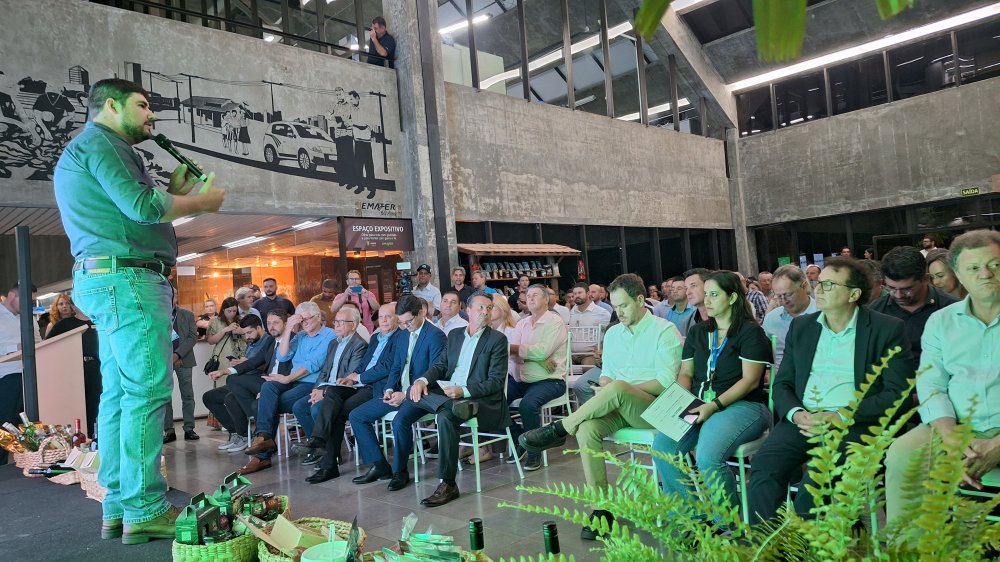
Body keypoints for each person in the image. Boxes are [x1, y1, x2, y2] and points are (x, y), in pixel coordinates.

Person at [54, 78, 224, 543]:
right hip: (128, 280)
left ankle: (118, 505)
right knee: (148, 395)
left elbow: (132, 209)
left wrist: (171, 188)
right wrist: (201, 202)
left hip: (108, 280)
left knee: (119, 396)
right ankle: (146, 506)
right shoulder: (103, 144)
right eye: (143, 105)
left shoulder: (90, 149)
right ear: (111, 105)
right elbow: (143, 206)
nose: (152, 115)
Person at [747, 257, 914, 523]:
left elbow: (899, 394)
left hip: (854, 423)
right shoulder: (802, 327)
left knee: (813, 486)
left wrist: (841, 416)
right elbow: (783, 383)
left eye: (828, 285)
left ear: (853, 294)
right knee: (764, 467)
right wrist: (796, 413)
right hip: (805, 419)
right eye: (818, 283)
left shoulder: (886, 329)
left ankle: (806, 551)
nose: (818, 290)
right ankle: (767, 548)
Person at [519, 274, 682, 540]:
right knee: (586, 430)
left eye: (624, 306)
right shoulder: (615, 333)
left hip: (654, 409)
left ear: (641, 300)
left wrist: (618, 386)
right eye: (615, 307)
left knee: (617, 388)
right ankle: (602, 509)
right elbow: (607, 374)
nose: (618, 312)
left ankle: (560, 427)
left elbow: (665, 382)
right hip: (618, 406)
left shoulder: (664, 330)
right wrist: (608, 384)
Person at [885, 230, 1000, 532]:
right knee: (903, 453)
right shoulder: (941, 321)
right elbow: (931, 385)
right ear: (959, 274)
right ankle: (910, 551)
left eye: (995, 265)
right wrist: (951, 438)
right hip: (956, 426)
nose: (985, 274)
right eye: (974, 268)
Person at [652, 271, 772, 514]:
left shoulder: (750, 332)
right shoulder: (698, 331)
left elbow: (750, 381)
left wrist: (713, 406)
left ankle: (726, 524)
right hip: (699, 404)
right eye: (705, 294)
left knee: (707, 457)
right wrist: (677, 402)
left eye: (714, 295)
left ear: (732, 298)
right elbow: (686, 372)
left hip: (742, 406)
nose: (707, 300)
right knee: (663, 448)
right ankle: (690, 520)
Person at [404, 291, 510, 507]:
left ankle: (448, 483)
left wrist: (464, 392)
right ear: (468, 310)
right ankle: (447, 406)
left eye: (489, 309)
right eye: (480, 308)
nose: (485, 312)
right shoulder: (455, 336)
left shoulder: (497, 339)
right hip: (450, 397)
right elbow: (441, 366)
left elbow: (496, 382)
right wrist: (423, 380)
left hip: (479, 400)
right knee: (412, 391)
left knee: (445, 416)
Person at [348, 295, 446, 489]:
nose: (405, 325)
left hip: (423, 393)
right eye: (401, 322)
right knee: (357, 416)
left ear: (422, 312)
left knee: (400, 421)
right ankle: (380, 465)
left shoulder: (435, 335)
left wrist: (406, 393)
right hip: (398, 391)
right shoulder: (401, 334)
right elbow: (395, 366)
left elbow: (436, 371)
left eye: (409, 321)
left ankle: (400, 472)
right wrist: (389, 388)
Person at [244, 301, 336, 456]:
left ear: (319, 317)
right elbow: (282, 355)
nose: (304, 323)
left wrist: (287, 379)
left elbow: (313, 364)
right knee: (268, 387)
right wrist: (288, 328)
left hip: (311, 383)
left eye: (308, 319)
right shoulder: (300, 336)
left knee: (264, 403)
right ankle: (264, 437)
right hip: (294, 382)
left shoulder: (330, 335)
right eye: (301, 320)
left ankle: (264, 452)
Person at [301, 307, 368, 483]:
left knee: (322, 408)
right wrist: (318, 388)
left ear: (353, 325)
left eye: (340, 322)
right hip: (330, 389)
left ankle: (320, 444)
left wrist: (325, 390)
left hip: (349, 388)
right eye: (335, 322)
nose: (336, 325)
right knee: (301, 406)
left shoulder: (359, 344)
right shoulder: (334, 343)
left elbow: (350, 376)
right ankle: (324, 453)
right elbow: (325, 371)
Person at [507, 285, 568, 471]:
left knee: (527, 404)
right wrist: (538, 358)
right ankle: (521, 438)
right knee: (493, 400)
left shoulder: (555, 322)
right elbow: (511, 354)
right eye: (528, 295)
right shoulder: (522, 323)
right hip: (521, 378)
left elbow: (542, 351)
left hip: (550, 380)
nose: (530, 298)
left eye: (535, 295)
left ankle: (534, 452)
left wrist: (525, 352)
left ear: (546, 300)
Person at [869, 245, 955, 367]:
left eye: (907, 289)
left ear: (925, 279)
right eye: (892, 288)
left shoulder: (951, 309)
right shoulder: (875, 312)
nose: (898, 295)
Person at [202, 313, 270, 453]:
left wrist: (234, 368)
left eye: (249, 332)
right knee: (209, 397)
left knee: (230, 396)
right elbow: (248, 362)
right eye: (245, 334)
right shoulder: (252, 341)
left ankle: (245, 435)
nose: (247, 337)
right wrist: (239, 362)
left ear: (259, 328)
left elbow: (262, 364)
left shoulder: (269, 341)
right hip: (242, 379)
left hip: (257, 381)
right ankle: (235, 433)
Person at [45, 294, 101, 436]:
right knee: (77, 406)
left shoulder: (99, 322)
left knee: (97, 405)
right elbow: (48, 347)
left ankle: (96, 436)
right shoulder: (64, 325)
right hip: (73, 370)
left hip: (97, 369)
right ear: (74, 306)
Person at [0, 282, 40, 466]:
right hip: (7, 377)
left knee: (25, 423)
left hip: (30, 375)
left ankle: (22, 460)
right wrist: (15, 348)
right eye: (27, 301)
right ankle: (2, 461)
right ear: (12, 296)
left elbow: (39, 342)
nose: (29, 305)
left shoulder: (29, 318)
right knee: (4, 423)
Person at [761, 265, 817, 372]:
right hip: (780, 380)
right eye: (778, 296)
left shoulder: (822, 314)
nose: (783, 300)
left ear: (804, 286)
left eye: (788, 294)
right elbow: (763, 353)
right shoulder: (772, 319)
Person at [163, 287, 199, 443]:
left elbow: (192, 338)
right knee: (165, 397)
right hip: (164, 361)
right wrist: (168, 356)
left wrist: (177, 354)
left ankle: (189, 428)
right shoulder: (157, 315)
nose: (172, 297)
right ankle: (168, 430)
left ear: (177, 296)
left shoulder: (187, 315)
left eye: (174, 294)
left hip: (184, 359)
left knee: (188, 395)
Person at [205, 297, 248, 375]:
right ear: (223, 309)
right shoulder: (215, 321)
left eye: (234, 311)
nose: (232, 313)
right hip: (222, 357)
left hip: (241, 356)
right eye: (229, 311)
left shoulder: (242, 320)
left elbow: (249, 340)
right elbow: (210, 341)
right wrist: (224, 330)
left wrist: (242, 332)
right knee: (223, 381)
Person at [331, 269, 380, 334]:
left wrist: (367, 296)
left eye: (357, 279)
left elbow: (377, 309)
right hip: (347, 329)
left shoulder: (368, 294)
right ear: (347, 282)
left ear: (360, 281)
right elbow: (333, 310)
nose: (354, 281)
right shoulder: (341, 296)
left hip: (367, 329)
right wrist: (345, 295)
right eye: (351, 279)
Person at [678, 268, 712, 338]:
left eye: (693, 286)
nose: (688, 292)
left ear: (708, 285)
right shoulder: (686, 323)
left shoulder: (727, 317)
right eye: (686, 288)